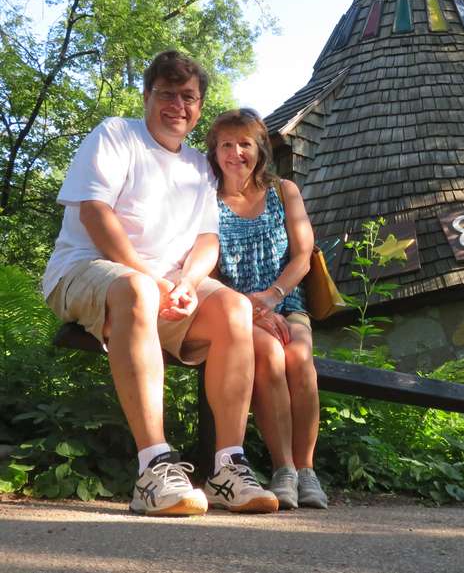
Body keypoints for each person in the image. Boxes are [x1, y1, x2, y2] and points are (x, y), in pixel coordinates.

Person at [42, 51, 279, 516]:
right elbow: (94, 212)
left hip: (165, 287)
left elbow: (207, 239)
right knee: (137, 289)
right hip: (87, 270)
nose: (178, 104)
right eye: (166, 94)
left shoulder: (199, 168)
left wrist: (190, 281)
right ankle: (154, 469)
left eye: (188, 96)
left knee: (233, 307)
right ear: (147, 95)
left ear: (200, 104)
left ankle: (228, 467)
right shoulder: (115, 134)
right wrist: (150, 276)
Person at [206, 108, 328, 509]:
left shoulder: (283, 191)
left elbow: (303, 255)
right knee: (270, 356)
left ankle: (306, 470)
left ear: (259, 149)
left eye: (245, 143)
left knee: (300, 355)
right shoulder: (206, 200)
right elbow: (205, 264)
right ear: (215, 150)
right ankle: (284, 469)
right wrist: (249, 307)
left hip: (285, 299)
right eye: (227, 143)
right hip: (233, 309)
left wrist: (273, 297)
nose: (236, 152)